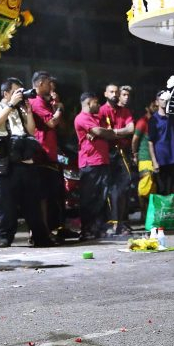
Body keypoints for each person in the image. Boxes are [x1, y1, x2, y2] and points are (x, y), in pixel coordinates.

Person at [0, 77, 52, 248]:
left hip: (25, 160)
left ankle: (40, 237)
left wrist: (29, 112)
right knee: (7, 203)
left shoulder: (20, 109)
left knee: (32, 202)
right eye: (17, 92)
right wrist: (10, 106)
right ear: (6, 93)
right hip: (5, 162)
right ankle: (5, 237)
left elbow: (31, 130)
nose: (21, 95)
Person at [29, 71, 66, 240]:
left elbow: (60, 125)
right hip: (40, 154)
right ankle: (41, 232)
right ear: (40, 84)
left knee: (49, 196)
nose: (52, 87)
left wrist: (55, 104)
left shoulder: (46, 102)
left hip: (49, 154)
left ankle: (46, 230)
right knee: (42, 197)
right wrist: (58, 109)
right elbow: (51, 122)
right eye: (49, 83)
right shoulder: (35, 102)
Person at [74, 92, 115, 240]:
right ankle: (86, 230)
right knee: (89, 198)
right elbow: (99, 131)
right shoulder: (82, 118)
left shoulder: (96, 118)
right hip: (90, 163)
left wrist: (104, 132)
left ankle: (99, 228)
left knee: (102, 198)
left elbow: (107, 132)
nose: (99, 105)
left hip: (102, 161)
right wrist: (101, 132)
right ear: (89, 103)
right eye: (96, 103)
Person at [99, 83, 136, 236]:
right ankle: (113, 224)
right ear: (105, 94)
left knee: (124, 188)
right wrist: (119, 133)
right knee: (110, 190)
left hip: (121, 153)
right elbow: (102, 133)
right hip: (107, 153)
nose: (115, 94)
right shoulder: (102, 111)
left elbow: (131, 129)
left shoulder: (124, 111)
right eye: (111, 92)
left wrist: (113, 132)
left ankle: (121, 222)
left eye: (116, 92)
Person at [148, 91, 174, 196]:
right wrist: (154, 162)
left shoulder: (173, 118)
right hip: (161, 160)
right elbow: (150, 142)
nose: (164, 102)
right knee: (163, 190)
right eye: (162, 99)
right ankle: (164, 213)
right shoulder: (153, 120)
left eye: (166, 100)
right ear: (157, 102)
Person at [131, 98, 158, 212]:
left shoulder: (157, 121)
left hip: (156, 158)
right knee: (144, 187)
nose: (155, 108)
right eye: (153, 105)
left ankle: (151, 215)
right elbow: (135, 140)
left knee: (153, 188)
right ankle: (143, 212)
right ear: (147, 108)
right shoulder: (142, 122)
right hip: (145, 157)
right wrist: (135, 154)